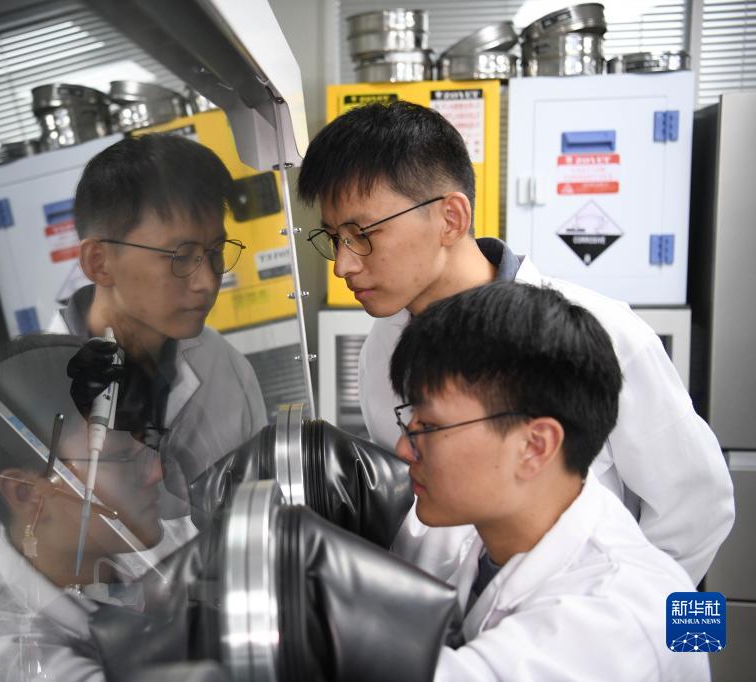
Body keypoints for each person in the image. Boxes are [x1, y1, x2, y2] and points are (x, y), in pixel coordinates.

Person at [296, 101, 733, 585]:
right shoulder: (382, 347)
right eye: (333, 238)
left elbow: (699, 511)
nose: (343, 266)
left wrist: (651, 627)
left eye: (361, 234)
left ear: (450, 218)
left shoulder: (604, 335)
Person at [390, 281, 709, 681]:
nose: (403, 449)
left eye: (429, 427)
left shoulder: (616, 619)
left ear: (534, 446)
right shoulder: (496, 540)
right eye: (410, 422)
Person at [0, 336, 166, 682]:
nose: (157, 472)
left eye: (150, 444)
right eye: (124, 457)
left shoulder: (116, 543)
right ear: (27, 494)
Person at [62, 134, 268, 518]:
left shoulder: (224, 366)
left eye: (216, 252)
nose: (208, 281)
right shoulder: (28, 395)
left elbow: (259, 511)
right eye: (181, 256)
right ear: (99, 262)